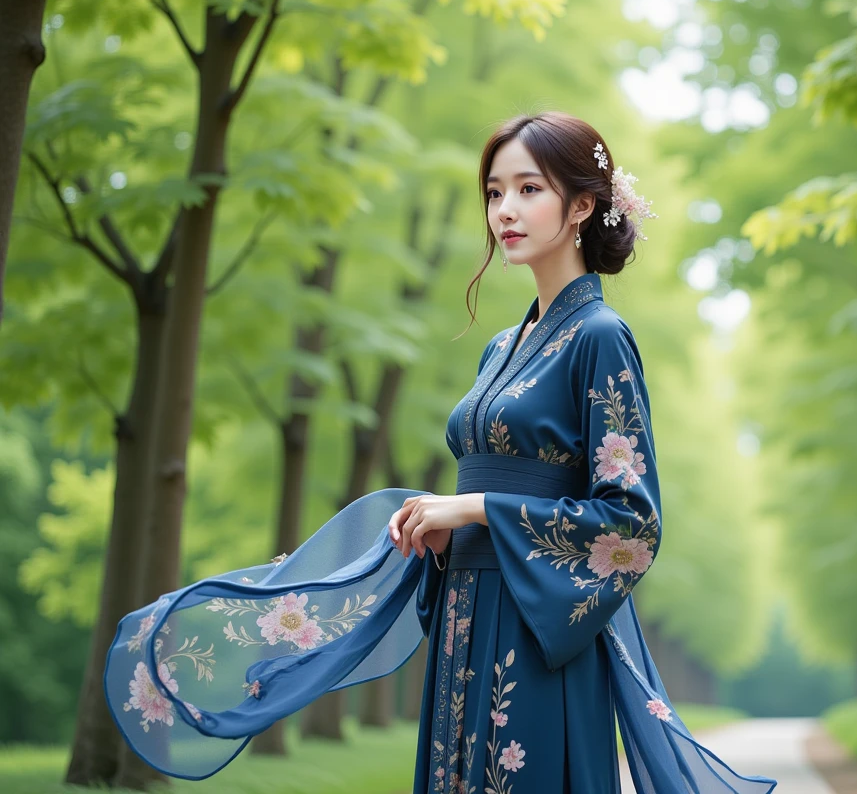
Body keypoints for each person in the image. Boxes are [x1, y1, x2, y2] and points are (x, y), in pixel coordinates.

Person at [103, 112, 777, 794]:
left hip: (538, 635)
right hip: (466, 613)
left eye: (528, 190)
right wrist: (439, 531)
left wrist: (475, 508)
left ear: (581, 206)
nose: (505, 211)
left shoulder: (601, 337)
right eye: (493, 193)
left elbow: (631, 527)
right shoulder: (500, 349)